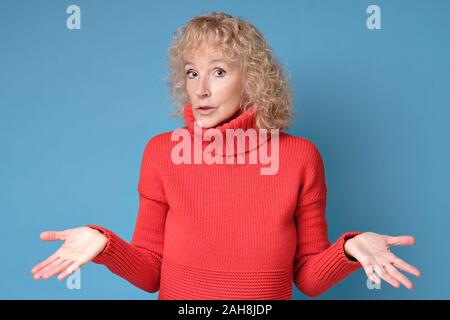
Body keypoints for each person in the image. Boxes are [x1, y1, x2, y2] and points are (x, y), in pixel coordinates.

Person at [31, 12, 421, 299]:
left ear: (251, 79)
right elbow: (151, 273)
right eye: (191, 73)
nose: (200, 89)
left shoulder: (301, 157)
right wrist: (104, 244)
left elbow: (308, 279)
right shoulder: (161, 153)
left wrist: (349, 249)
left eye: (218, 72)